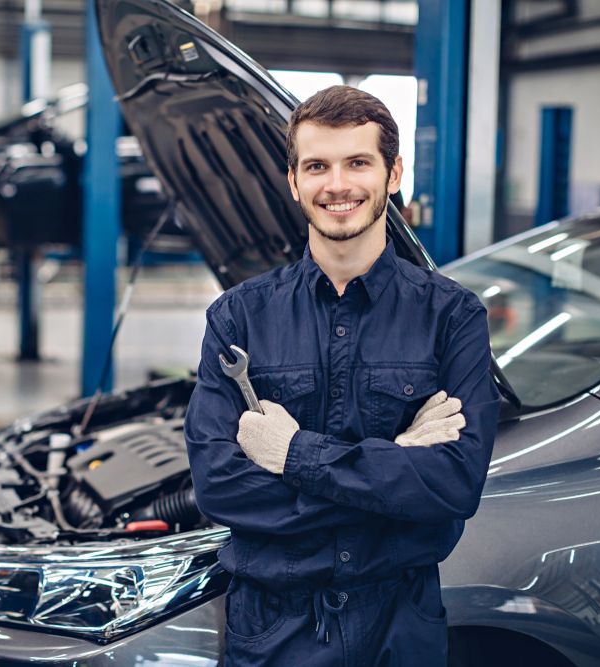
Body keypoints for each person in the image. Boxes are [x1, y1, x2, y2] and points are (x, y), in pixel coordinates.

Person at [184, 86, 500, 666]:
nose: (337, 185)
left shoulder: (452, 317)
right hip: (272, 629)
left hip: (399, 626)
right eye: (317, 166)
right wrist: (397, 458)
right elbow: (220, 487)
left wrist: (294, 455)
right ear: (293, 180)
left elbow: (456, 484)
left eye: (358, 162)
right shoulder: (238, 318)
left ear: (394, 172)